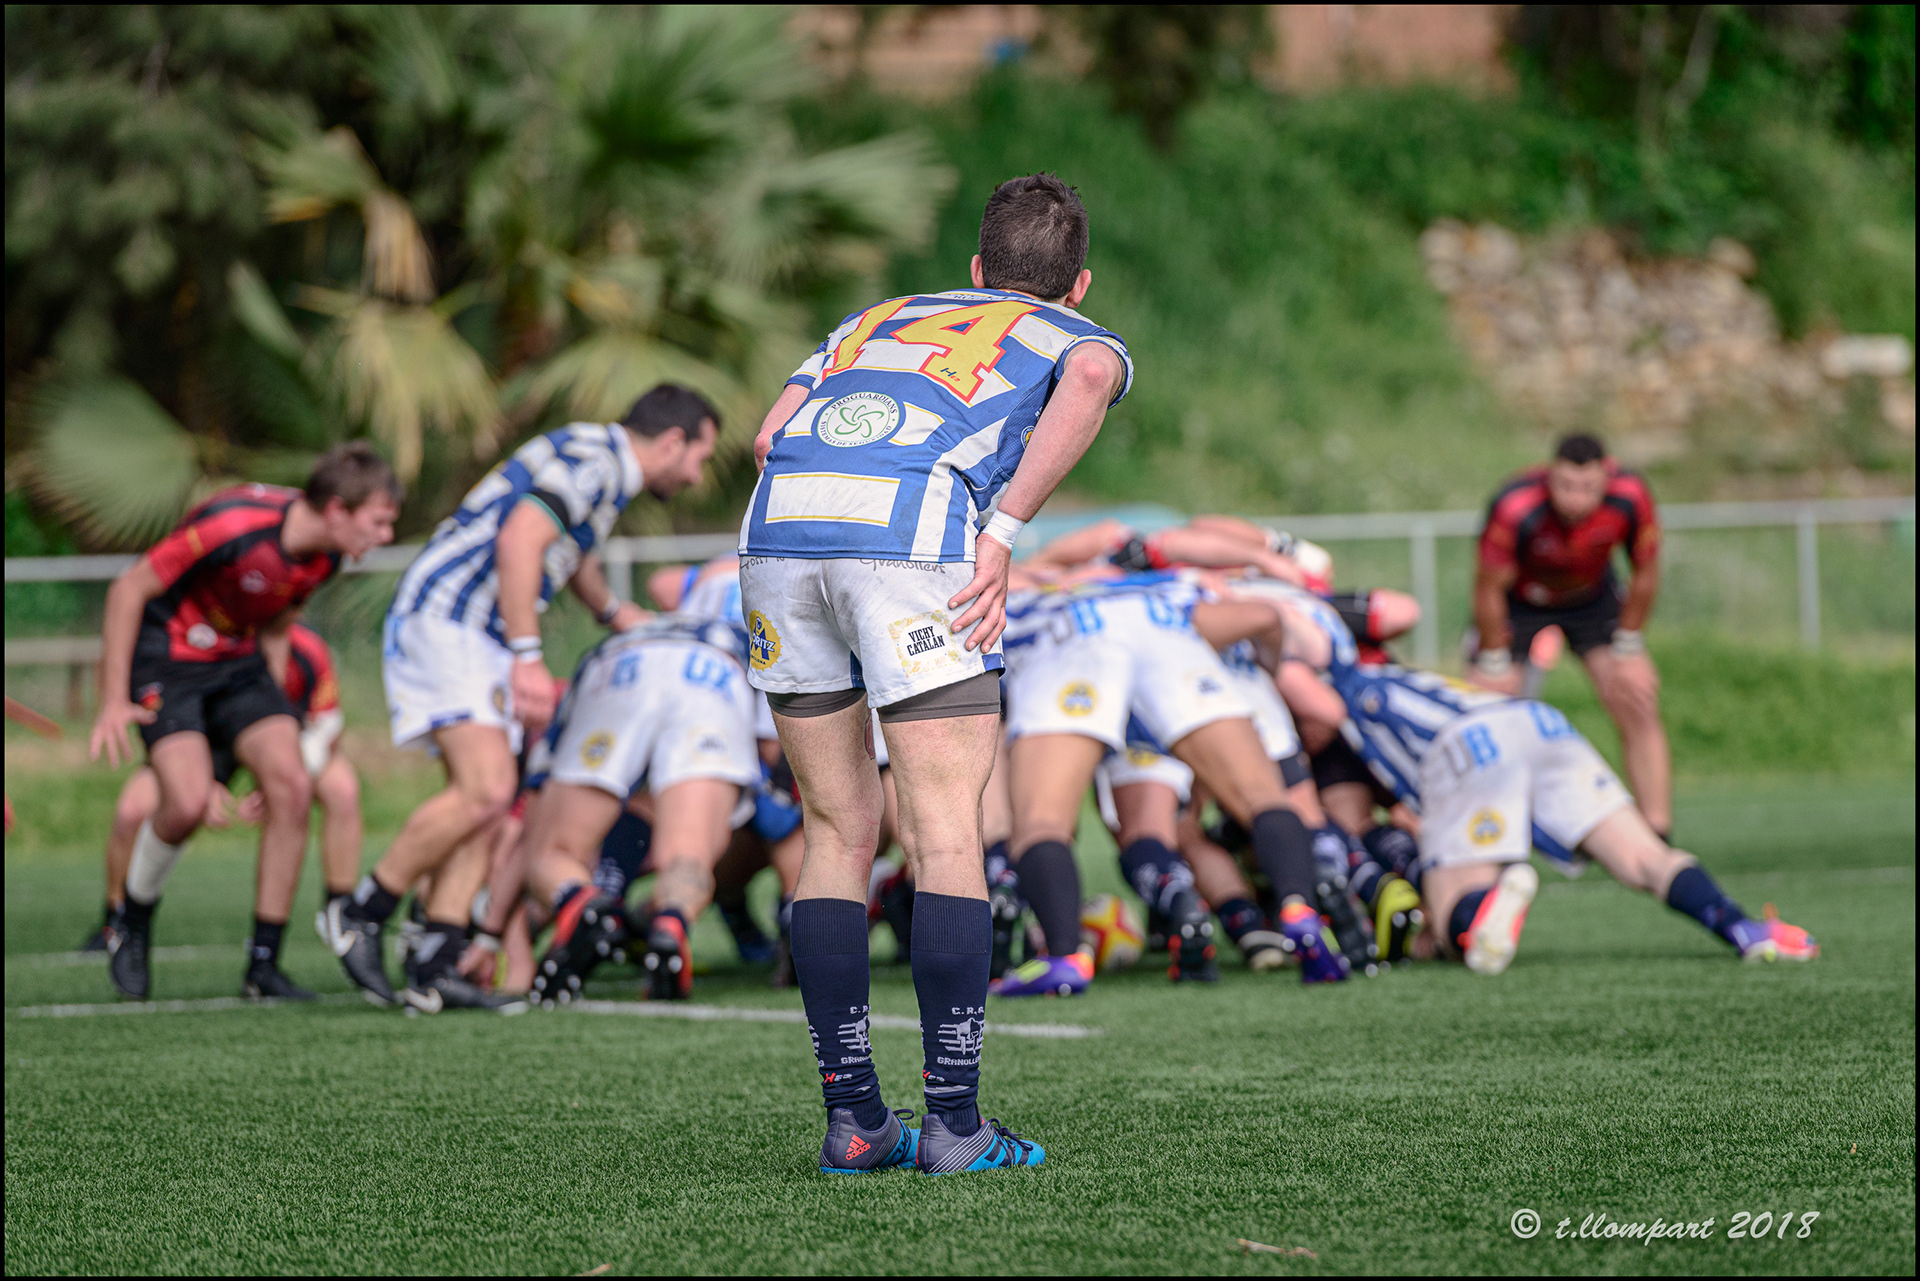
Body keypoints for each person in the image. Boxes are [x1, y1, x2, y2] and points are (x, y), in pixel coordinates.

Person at [740, 173, 1129, 1176]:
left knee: (836, 829)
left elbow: (766, 437)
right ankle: (954, 1124)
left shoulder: (876, 317)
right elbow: (1086, 381)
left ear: (974, 270)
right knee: (946, 829)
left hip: (779, 536)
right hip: (912, 543)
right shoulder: (1067, 333)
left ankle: (856, 1121)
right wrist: (1002, 530)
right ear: (1076, 283)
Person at [334, 385, 719, 1013]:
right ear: (672, 442)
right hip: (452, 619)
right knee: (486, 790)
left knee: (488, 804)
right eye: (698, 457)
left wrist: (614, 612)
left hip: (477, 632)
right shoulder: (598, 459)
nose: (697, 474)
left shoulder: (602, 467)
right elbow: (521, 539)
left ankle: (435, 962)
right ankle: (360, 912)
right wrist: (527, 656)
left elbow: (570, 552)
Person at [1286, 589, 1819, 973]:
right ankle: (1744, 929)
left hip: (1470, 745)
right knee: (1644, 857)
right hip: (1536, 720)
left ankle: (1484, 906)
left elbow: (1327, 738)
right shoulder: (1397, 669)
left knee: (1455, 925)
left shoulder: (1332, 688)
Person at [87, 445, 399, 1001]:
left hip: (238, 663)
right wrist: (113, 698)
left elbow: (276, 624)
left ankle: (263, 967)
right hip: (168, 659)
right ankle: (130, 922)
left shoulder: (325, 557)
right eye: (378, 521)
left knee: (293, 784)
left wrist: (271, 725)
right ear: (336, 510)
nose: (385, 536)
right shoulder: (232, 523)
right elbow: (127, 588)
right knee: (182, 805)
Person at [998, 572, 1347, 995]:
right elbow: (1263, 615)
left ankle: (1065, 955)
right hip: (1165, 633)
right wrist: (1269, 668)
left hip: (1073, 638)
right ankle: (1298, 910)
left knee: (1042, 822)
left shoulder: (1018, 601)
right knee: (1263, 797)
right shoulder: (1168, 589)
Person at [520, 611, 761, 1005]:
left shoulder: (616, 640)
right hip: (715, 672)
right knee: (687, 857)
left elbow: (533, 797)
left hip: (618, 669)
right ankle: (670, 924)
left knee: (553, 852)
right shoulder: (747, 631)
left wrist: (499, 932)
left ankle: (582, 903)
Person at [86, 625, 361, 956]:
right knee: (132, 808)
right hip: (207, 743)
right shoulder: (206, 643)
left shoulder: (309, 649)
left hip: (288, 749)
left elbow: (328, 724)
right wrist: (201, 778)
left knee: (342, 789)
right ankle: (115, 923)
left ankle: (342, 913)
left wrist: (289, 777)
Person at [1471, 433, 1673, 836]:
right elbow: (1488, 587)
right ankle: (1490, 834)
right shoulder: (1515, 504)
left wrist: (1629, 646)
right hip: (1520, 602)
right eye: (1565, 486)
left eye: (1587, 488)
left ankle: (1657, 834)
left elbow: (1645, 571)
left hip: (1591, 600)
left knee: (1636, 696)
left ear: (1607, 476)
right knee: (1483, 715)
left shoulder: (1630, 496)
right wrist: (1494, 660)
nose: (1575, 500)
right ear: (1549, 477)